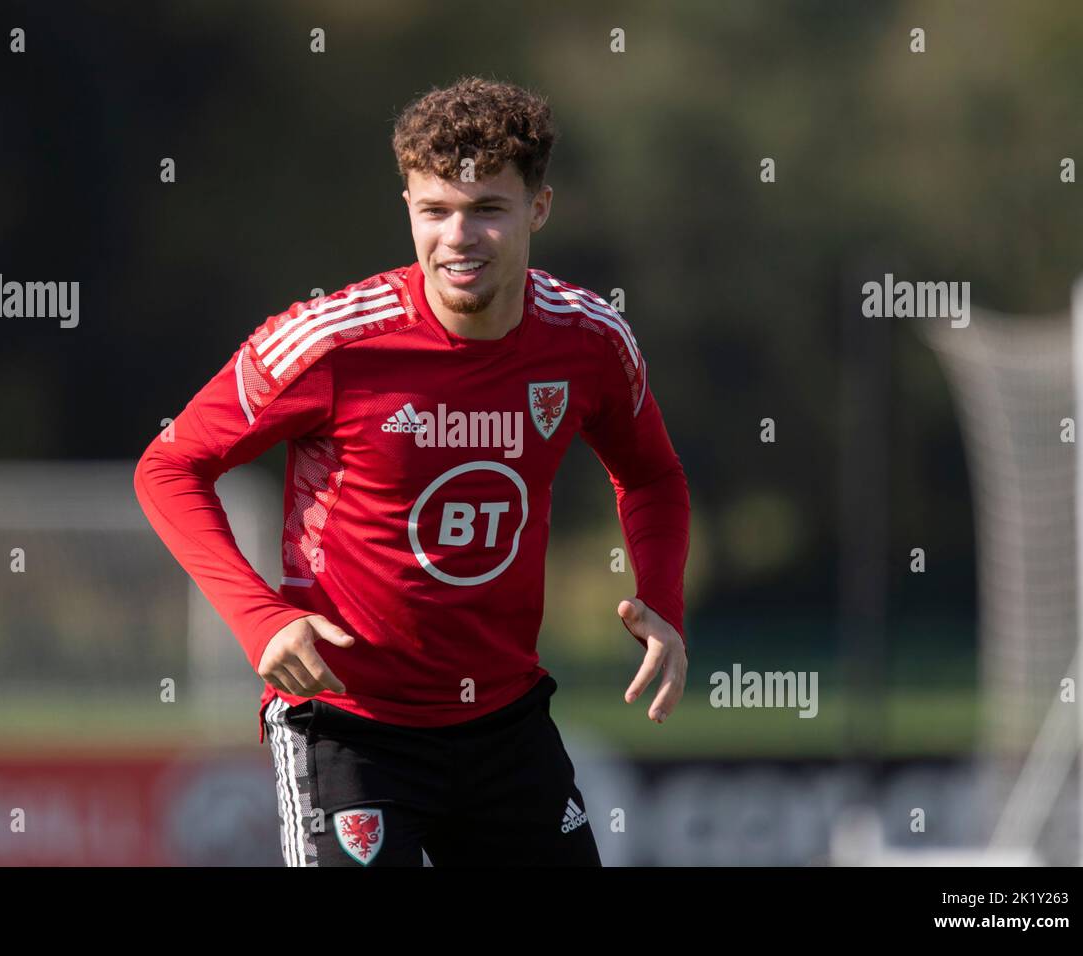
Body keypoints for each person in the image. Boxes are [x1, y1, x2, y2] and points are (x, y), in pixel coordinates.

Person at [134, 75, 690, 866]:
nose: (457, 238)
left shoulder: (589, 340)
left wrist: (663, 601)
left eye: (487, 211)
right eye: (435, 211)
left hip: (506, 728)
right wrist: (261, 619)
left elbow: (654, 477)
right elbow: (168, 468)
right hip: (347, 727)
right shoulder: (329, 341)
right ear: (408, 208)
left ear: (539, 208)